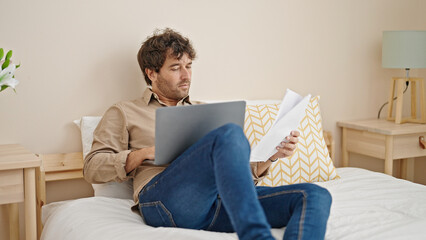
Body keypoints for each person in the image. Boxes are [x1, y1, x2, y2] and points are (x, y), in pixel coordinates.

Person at [83, 28, 332, 240]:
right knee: (229, 134)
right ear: (151, 73)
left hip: (217, 202)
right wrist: (145, 153)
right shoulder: (125, 111)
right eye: (176, 67)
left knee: (314, 194)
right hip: (163, 201)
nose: (186, 75)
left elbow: (234, 180)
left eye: (189, 66)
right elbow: (92, 167)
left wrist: (270, 158)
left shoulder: (205, 112)